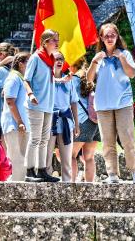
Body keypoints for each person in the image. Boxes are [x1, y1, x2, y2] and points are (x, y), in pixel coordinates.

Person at [87, 23, 135, 184]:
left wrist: (122, 58)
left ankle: (134, 172)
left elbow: (132, 74)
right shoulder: (99, 57)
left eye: (113, 35)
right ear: (101, 39)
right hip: (103, 104)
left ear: (117, 37)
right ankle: (112, 174)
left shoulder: (125, 53)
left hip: (123, 103)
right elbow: (89, 79)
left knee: (127, 138)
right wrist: (94, 62)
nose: (110, 38)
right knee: (107, 141)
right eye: (106, 36)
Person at [24, 29, 60, 183]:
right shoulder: (36, 58)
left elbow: (48, 81)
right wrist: (31, 94)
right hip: (36, 105)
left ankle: (42, 170)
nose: (57, 43)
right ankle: (29, 172)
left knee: (44, 139)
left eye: (58, 39)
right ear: (45, 43)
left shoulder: (50, 58)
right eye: (54, 40)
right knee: (35, 138)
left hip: (48, 104)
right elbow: (26, 79)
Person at [46, 52, 79, 182]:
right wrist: (59, 80)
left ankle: (66, 185)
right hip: (49, 121)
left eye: (61, 59)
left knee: (66, 160)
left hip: (65, 121)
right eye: (55, 59)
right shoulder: (46, 79)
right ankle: (46, 184)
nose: (58, 61)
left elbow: (74, 102)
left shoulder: (69, 81)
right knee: (46, 158)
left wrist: (76, 124)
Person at [1, 52, 31, 181]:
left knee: (23, 159)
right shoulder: (13, 77)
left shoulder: (21, 79)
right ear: (21, 64)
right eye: (29, 62)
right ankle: (17, 189)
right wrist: (19, 121)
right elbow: (10, 101)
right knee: (17, 159)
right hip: (14, 124)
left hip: (22, 124)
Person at [70, 57, 100, 183]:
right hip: (96, 122)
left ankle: (69, 185)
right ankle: (89, 185)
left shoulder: (73, 79)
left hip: (82, 121)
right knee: (89, 157)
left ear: (73, 66)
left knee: (71, 155)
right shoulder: (94, 77)